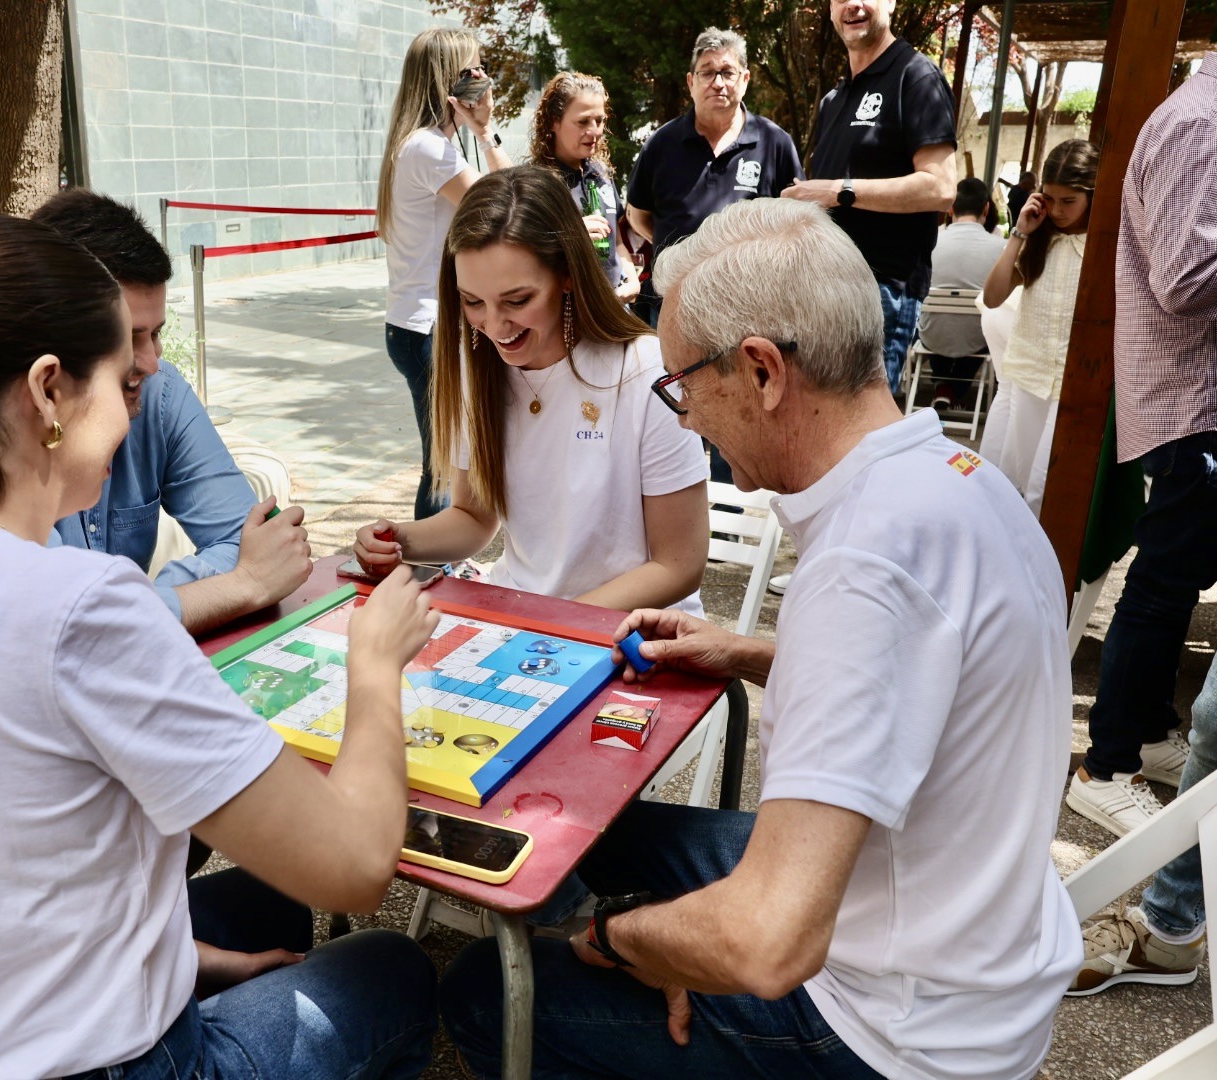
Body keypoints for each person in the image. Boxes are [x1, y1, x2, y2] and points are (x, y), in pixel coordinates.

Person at [0, 213, 439, 1079]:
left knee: (261, 905)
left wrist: (192, 967)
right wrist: (375, 664)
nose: (142, 393)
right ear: (49, 391)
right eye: (124, 377)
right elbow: (352, 867)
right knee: (392, 969)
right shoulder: (72, 603)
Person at [439, 197, 1080, 1080]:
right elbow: (946, 673)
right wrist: (749, 653)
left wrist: (621, 943)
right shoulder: (959, 479)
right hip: (963, 931)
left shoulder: (864, 565)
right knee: (591, 837)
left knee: (484, 987)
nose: (684, 417)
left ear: (763, 372)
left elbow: (767, 945)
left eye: (684, 387)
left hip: (890, 1027)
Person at [1067, 0, 1217, 839]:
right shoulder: (1203, 120)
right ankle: (1105, 762)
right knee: (1162, 587)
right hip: (1206, 399)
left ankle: (1146, 735)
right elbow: (1189, 280)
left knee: (1174, 586)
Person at [354, 165, 709, 616]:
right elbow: (474, 518)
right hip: (525, 619)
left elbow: (678, 564)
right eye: (473, 302)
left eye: (517, 301)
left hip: (628, 631)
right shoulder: (477, 364)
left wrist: (553, 623)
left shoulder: (644, 369)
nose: (496, 327)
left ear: (567, 274)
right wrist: (399, 540)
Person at [1069, 335, 1217, 997]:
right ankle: (1165, 915)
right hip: (1214, 410)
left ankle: (1166, 917)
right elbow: (1183, 276)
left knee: (1216, 679)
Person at [32, 189, 313, 635]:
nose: (149, 362)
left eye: (156, 334)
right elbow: (67, 629)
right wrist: (237, 586)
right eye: (127, 338)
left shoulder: (159, 393)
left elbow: (252, 542)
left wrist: (143, 605)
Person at [785, 0, 958, 395]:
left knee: (858, 440)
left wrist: (837, 191)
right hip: (820, 289)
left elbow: (940, 188)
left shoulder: (916, 76)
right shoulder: (834, 99)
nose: (853, 5)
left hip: (880, 293)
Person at [379, 27, 514, 522]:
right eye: (472, 70)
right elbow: (508, 205)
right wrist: (485, 131)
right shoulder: (429, 149)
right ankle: (430, 567)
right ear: (447, 81)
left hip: (416, 324)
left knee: (446, 457)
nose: (483, 80)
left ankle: (438, 563)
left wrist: (476, 131)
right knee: (441, 464)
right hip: (427, 328)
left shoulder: (421, 145)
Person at [624, 28, 801, 332]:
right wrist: (680, 249)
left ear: (745, 80)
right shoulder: (661, 144)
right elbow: (637, 215)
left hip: (751, 308)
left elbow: (798, 222)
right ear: (691, 82)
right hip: (674, 304)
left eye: (727, 72)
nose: (718, 83)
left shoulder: (775, 143)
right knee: (672, 379)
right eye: (707, 73)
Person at [978, 140, 1097, 517]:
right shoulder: (1038, 240)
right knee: (1013, 482)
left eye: (1069, 201)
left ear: (1091, 196)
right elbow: (994, 296)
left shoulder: (1103, 244)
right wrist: (1019, 231)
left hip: (1073, 385)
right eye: (1051, 199)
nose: (1059, 211)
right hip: (1029, 377)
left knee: (1044, 491)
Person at [529, 71, 641, 304]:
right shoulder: (537, 183)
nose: (595, 131)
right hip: (569, 310)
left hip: (615, 303)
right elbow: (527, 253)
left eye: (599, 121)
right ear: (553, 122)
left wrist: (631, 280)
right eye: (582, 122)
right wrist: (572, 234)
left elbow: (616, 240)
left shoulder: (601, 172)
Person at [915, 176, 1005, 410]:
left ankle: (944, 386)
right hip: (976, 339)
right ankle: (953, 389)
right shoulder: (1001, 248)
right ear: (986, 208)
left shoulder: (927, 240)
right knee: (983, 325)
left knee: (941, 321)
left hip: (931, 335)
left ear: (951, 207)